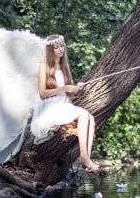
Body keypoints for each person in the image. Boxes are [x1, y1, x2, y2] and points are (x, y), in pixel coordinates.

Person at [30, 34, 100, 172]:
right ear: (50, 50)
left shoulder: (64, 67)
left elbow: (67, 95)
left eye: (62, 46)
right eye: (56, 47)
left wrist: (76, 88)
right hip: (49, 107)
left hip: (64, 104)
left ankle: (86, 158)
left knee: (90, 119)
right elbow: (43, 93)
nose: (60, 49)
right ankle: (84, 157)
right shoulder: (44, 66)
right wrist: (64, 88)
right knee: (84, 114)